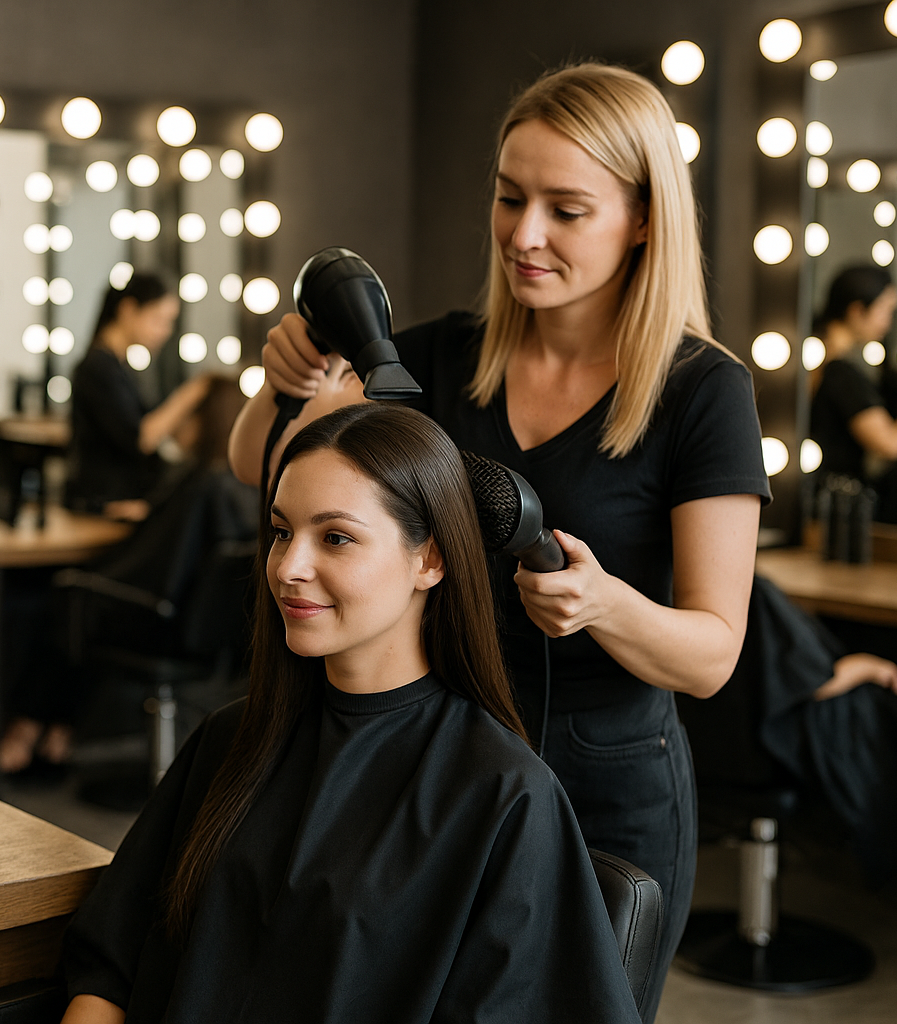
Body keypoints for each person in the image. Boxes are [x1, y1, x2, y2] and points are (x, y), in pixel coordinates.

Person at [227, 62, 769, 1016]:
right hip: (441, 762)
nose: (523, 234)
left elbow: (712, 655)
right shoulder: (434, 359)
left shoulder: (702, 392)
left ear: (644, 219)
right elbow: (262, 467)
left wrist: (604, 604)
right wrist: (285, 383)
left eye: (567, 210)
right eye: (511, 197)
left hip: (609, 787)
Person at [61, 403, 641, 1024]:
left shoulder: (502, 794)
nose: (289, 567)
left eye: (335, 537)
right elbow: (110, 963)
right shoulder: (231, 740)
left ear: (430, 560)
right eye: (281, 532)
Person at [0, 375, 257, 775]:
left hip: (162, 622)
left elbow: (155, 565)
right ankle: (59, 737)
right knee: (79, 598)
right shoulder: (236, 486)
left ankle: (26, 730)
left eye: (185, 415)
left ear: (202, 420)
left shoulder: (202, 486)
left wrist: (97, 573)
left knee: (69, 594)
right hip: (207, 632)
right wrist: (154, 513)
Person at [678, 575, 897, 886]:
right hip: (767, 756)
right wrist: (870, 667)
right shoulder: (752, 592)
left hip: (700, 754)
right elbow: (814, 683)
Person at [67, 273, 212, 516]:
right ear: (128, 310)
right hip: (105, 504)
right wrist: (193, 392)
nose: (165, 331)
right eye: (158, 320)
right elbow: (142, 438)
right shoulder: (99, 368)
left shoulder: (120, 367)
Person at [808, 265, 897, 520]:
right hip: (834, 509)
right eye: (884, 310)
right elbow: (890, 445)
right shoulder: (840, 373)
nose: (888, 322)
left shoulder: (815, 357)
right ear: (856, 310)